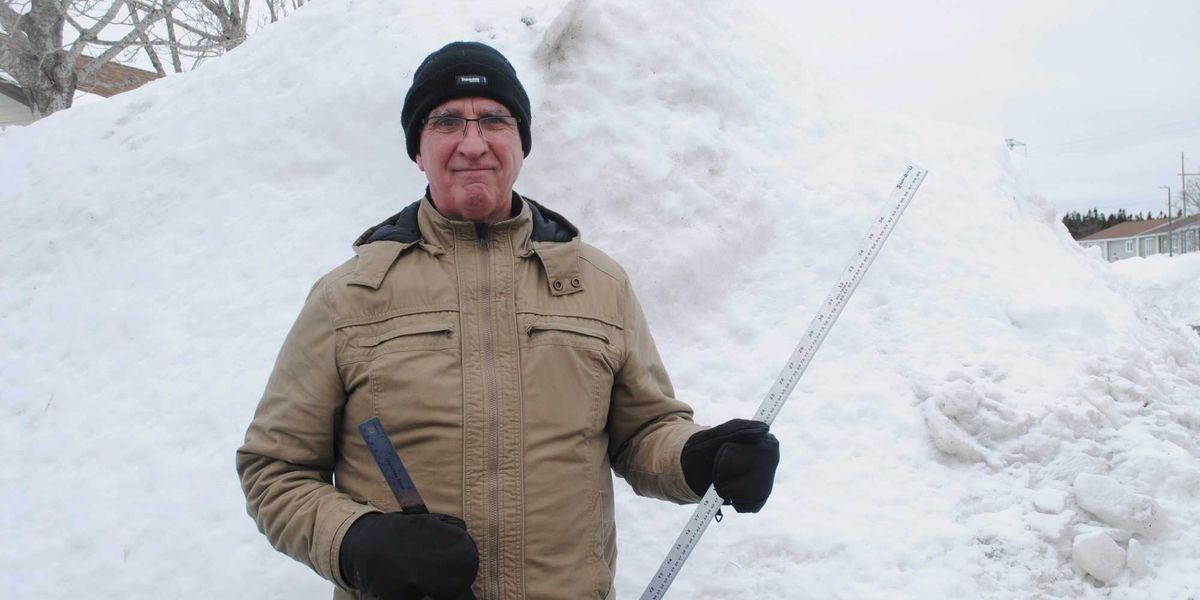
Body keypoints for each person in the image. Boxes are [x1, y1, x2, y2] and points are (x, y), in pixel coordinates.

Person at [236, 41, 780, 600]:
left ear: (520, 143)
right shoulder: (346, 297)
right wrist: (356, 541)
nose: (473, 143)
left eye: (494, 119)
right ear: (417, 151)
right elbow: (274, 470)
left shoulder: (600, 285)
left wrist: (698, 456)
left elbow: (642, 433)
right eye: (446, 120)